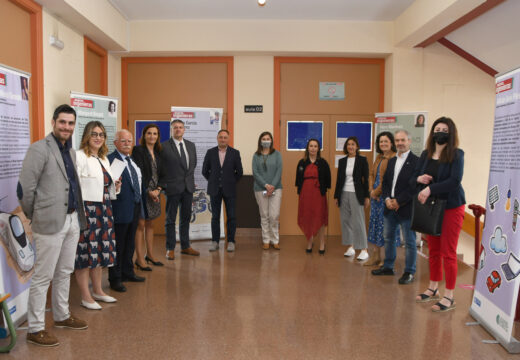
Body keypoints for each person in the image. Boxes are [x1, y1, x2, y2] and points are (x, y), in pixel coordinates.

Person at [18, 104, 88, 347]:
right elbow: (26, 190)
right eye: (62, 122)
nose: (66, 127)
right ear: (53, 122)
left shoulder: (70, 151)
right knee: (42, 276)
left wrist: (76, 218)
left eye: (70, 123)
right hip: (48, 222)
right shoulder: (39, 149)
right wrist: (34, 215)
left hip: (71, 220)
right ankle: (35, 329)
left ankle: (61, 315)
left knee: (64, 271)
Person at [414, 117, 465, 312]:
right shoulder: (426, 154)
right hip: (431, 208)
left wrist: (430, 189)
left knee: (448, 253)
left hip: (451, 207)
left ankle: (449, 296)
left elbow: (454, 181)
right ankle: (433, 288)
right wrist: (419, 178)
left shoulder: (457, 154)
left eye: (444, 129)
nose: (440, 132)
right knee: (433, 250)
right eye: (437, 129)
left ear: (450, 134)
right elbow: (414, 178)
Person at [74, 121, 120, 309]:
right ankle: (86, 296)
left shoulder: (104, 159)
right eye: (94, 134)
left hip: (104, 209)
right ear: (86, 136)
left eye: (101, 134)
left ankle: (98, 291)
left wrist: (114, 187)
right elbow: (76, 187)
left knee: (100, 252)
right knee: (85, 254)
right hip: (88, 210)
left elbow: (106, 186)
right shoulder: (78, 156)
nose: (98, 138)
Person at [371, 130, 418, 284]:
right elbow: (385, 183)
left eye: (402, 140)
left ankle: (409, 272)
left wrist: (398, 201)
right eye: (397, 140)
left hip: (406, 208)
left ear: (409, 141)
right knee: (388, 238)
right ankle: (388, 266)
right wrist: (386, 199)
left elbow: (414, 187)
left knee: (410, 242)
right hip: (389, 206)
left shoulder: (416, 162)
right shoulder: (391, 161)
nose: (400, 143)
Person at [108, 130, 145, 292]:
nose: (127, 144)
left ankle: (127, 272)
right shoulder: (111, 160)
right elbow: (110, 187)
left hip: (135, 206)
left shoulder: (132, 160)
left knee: (130, 242)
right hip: (120, 208)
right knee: (118, 245)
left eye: (129, 141)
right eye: (123, 141)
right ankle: (115, 278)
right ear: (115, 143)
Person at [158, 119, 200, 259]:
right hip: (172, 189)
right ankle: (170, 248)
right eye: (175, 127)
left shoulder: (191, 145)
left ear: (184, 129)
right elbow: (160, 169)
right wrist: (163, 186)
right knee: (170, 220)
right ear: (171, 130)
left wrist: (189, 181)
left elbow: (192, 165)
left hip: (188, 188)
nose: (178, 129)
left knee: (185, 218)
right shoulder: (163, 146)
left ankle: (185, 246)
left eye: (180, 127)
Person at [202, 129, 243, 252]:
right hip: (214, 189)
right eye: (221, 137)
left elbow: (239, 172)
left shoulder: (235, 153)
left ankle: (231, 241)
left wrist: (230, 181)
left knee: (231, 216)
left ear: (228, 139)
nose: (223, 139)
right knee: (215, 217)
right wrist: (214, 180)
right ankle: (215, 241)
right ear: (217, 138)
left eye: (225, 137)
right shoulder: (210, 152)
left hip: (230, 189)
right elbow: (205, 171)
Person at [132, 124, 163, 271]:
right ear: (144, 135)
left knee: (151, 224)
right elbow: (139, 173)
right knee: (141, 224)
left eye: (155, 134)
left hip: (156, 193)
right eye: (149, 133)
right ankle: (139, 258)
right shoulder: (138, 150)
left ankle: (150, 255)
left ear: (158, 137)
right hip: (143, 192)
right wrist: (148, 191)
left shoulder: (158, 152)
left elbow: (163, 174)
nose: (152, 136)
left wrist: (158, 189)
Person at [334, 136, 370, 260]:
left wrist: (367, 196)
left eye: (353, 144)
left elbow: (366, 180)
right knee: (346, 221)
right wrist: (336, 196)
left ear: (357, 147)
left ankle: (364, 249)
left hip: (357, 193)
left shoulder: (362, 160)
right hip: (343, 193)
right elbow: (339, 180)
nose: (350, 146)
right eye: (348, 144)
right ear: (346, 147)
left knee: (358, 221)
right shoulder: (342, 161)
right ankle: (351, 247)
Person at [364, 132, 397, 267]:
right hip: (375, 198)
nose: (383, 144)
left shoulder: (394, 158)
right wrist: (371, 190)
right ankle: (375, 256)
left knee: (387, 228)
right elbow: (371, 174)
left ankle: (388, 259)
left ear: (391, 143)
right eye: (381, 142)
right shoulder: (378, 157)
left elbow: (388, 180)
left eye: (386, 141)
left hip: (386, 197)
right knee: (375, 226)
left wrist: (376, 192)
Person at [295, 139, 331, 254]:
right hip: (305, 194)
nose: (313, 148)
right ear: (308, 148)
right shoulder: (302, 162)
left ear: (318, 149)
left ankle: (321, 243)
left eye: (315, 146)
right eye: (311, 146)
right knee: (307, 217)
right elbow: (298, 181)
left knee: (319, 217)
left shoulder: (323, 163)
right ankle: (309, 242)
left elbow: (328, 180)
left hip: (318, 194)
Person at [252, 131, 283, 250]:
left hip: (276, 188)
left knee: (274, 215)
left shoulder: (277, 155)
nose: (266, 140)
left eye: (268, 138)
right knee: (264, 215)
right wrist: (265, 185)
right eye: (264, 139)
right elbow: (255, 172)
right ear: (260, 141)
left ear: (271, 140)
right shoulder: (256, 156)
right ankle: (266, 240)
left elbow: (279, 171)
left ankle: (275, 240)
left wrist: (272, 186)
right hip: (260, 189)